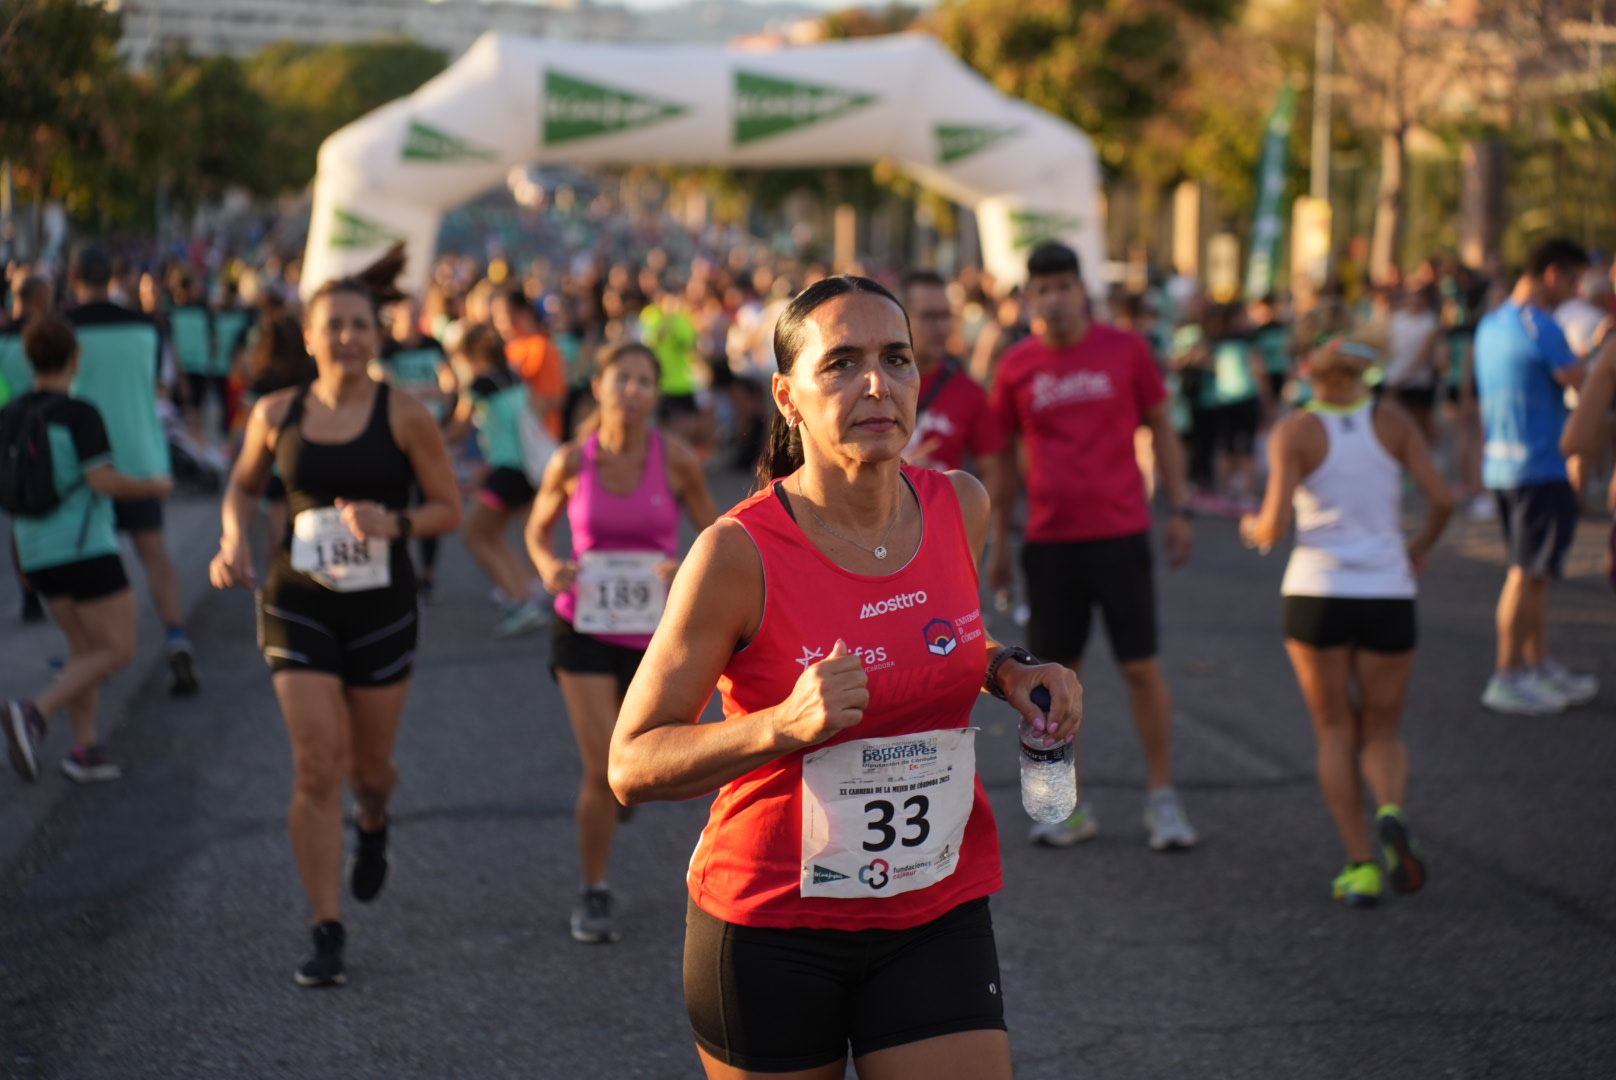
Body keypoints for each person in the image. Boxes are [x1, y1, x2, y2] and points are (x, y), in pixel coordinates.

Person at [608, 275, 1081, 1079]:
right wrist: (781, 726)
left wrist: (1007, 668)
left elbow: (937, 633)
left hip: (934, 907)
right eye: (842, 364)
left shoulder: (959, 505)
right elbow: (631, 763)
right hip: (771, 928)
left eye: (896, 359)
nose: (876, 384)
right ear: (788, 397)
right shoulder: (737, 553)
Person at [208, 276, 461, 988]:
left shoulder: (406, 416)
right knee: (317, 763)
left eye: (361, 325)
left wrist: (397, 523)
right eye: (336, 326)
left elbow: (450, 508)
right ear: (311, 337)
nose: (349, 337)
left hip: (381, 611)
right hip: (298, 602)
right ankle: (326, 926)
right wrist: (233, 541)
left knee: (367, 773)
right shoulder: (275, 412)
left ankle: (374, 820)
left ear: (376, 338)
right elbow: (243, 488)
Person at [988, 241, 1199, 852]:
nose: (1054, 298)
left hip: (1121, 533)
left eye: (1063, 285)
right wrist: (999, 543)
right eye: (1042, 288)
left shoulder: (1126, 349)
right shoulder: (1017, 366)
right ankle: (1062, 805)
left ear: (1083, 290)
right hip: (1051, 541)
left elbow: (1162, 427)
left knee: (1140, 667)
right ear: (1029, 298)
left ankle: (1163, 797)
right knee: (1052, 680)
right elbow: (1001, 462)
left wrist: (1179, 508)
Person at [1239, 336, 1454, 907]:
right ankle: (1389, 810)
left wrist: (1251, 529)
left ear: (1309, 367)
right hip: (1387, 589)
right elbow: (1443, 499)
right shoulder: (1393, 420)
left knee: (1334, 729)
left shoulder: (1296, 429)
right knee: (1381, 731)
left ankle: (1361, 866)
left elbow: (1274, 525)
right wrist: (1418, 547)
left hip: (1319, 591)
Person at [524, 342, 716, 944]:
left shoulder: (677, 459)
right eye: (621, 380)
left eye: (643, 382)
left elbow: (718, 535)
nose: (632, 392)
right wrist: (548, 566)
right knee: (600, 763)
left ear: (655, 394)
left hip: (655, 635)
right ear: (599, 387)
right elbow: (536, 529)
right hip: (581, 626)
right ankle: (595, 890)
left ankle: (621, 792)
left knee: (623, 771)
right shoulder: (570, 462)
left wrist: (684, 565)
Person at [2, 316, 174, 784]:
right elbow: (103, 481)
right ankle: (35, 711)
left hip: (35, 552)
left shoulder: (11, 413)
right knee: (118, 650)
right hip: (85, 547)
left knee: (84, 651)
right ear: (76, 359)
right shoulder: (80, 413)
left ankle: (85, 748)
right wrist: (154, 486)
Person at [1473, 238, 1599, 716]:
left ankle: (1535, 665)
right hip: (1540, 464)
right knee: (1525, 575)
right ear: (1552, 274)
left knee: (1535, 575)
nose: (1573, 291)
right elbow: (1585, 384)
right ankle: (1507, 674)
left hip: (1505, 463)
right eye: (1571, 281)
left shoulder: (1492, 323)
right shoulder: (1539, 325)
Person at [65, 245, 198, 696]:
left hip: (83, 464)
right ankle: (177, 635)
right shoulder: (147, 327)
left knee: (91, 565)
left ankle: (88, 652)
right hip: (141, 456)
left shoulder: (65, 329)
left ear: (74, 277)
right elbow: (160, 388)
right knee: (154, 554)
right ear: (113, 277)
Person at [449, 322, 552, 637]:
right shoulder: (512, 376)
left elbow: (457, 430)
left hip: (506, 472)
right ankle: (522, 593)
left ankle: (519, 600)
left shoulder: (479, 384)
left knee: (474, 534)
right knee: (493, 534)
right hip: (524, 471)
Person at [376, 297, 455, 600]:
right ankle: (397, 567)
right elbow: (381, 385)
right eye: (405, 312)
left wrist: (409, 390)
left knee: (431, 502)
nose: (411, 318)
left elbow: (449, 388)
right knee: (395, 501)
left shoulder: (433, 345)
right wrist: (425, 391)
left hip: (430, 434)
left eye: (416, 312)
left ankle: (428, 572)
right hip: (395, 435)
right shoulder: (387, 349)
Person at [900, 270, 1004, 485]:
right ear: (899, 317)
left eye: (946, 315)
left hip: (944, 516)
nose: (941, 327)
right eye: (929, 316)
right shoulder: (874, 387)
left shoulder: (969, 392)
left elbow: (994, 475)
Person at [1382, 284, 1446, 444]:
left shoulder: (1429, 322)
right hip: (1395, 379)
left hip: (1418, 382)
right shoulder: (1396, 319)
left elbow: (1423, 355)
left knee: (1421, 423)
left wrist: (1403, 377)